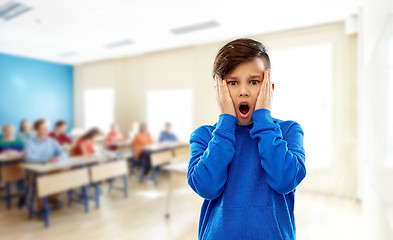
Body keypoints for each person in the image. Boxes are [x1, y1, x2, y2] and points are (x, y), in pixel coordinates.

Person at [187, 38, 306, 240]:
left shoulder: (288, 131)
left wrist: (263, 119)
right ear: (219, 90)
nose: (243, 91)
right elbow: (206, 187)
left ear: (269, 87)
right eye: (233, 83)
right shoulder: (204, 136)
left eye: (253, 82)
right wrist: (226, 124)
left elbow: (285, 180)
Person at [25, 119, 66, 210]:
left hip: (52, 168)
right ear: (36, 130)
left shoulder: (52, 141)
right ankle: (42, 208)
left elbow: (63, 153)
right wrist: (47, 160)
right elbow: (28, 158)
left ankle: (50, 198)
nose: (46, 130)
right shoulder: (30, 142)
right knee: (41, 181)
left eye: (47, 128)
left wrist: (60, 157)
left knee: (68, 176)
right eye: (43, 128)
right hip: (35, 172)